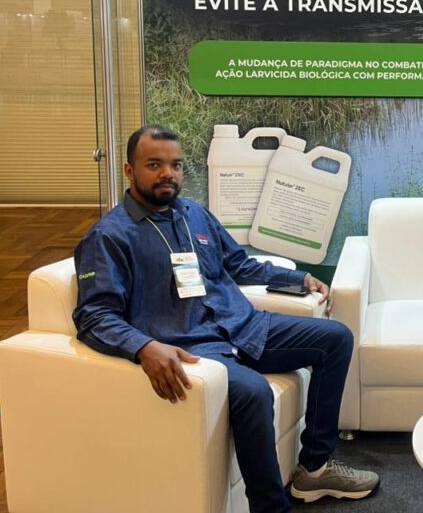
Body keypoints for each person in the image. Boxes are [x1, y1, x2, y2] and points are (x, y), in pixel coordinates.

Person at [73, 125, 379, 512]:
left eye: (175, 165)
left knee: (335, 339)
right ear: (129, 171)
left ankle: (314, 470)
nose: (168, 173)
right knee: (253, 391)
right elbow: (94, 315)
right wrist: (144, 346)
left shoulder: (194, 214)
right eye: (154, 165)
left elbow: (238, 265)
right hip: (192, 347)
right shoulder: (109, 237)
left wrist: (298, 278)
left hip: (244, 327)